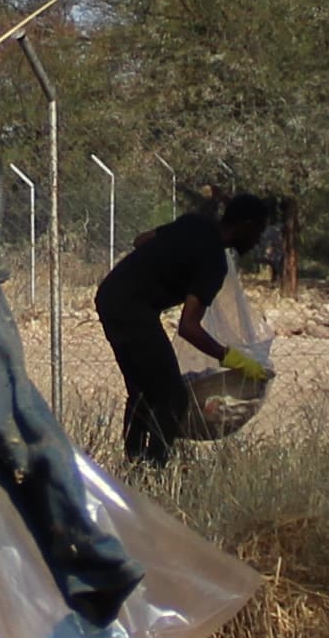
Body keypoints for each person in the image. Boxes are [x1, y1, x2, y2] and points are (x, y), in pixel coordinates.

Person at [93, 193, 275, 466]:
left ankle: (134, 463)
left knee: (143, 391)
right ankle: (153, 469)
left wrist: (163, 264)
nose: (258, 239)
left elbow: (141, 240)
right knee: (173, 397)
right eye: (258, 231)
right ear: (245, 225)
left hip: (110, 295)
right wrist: (234, 359)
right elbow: (189, 327)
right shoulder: (214, 261)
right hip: (133, 309)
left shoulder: (195, 223)